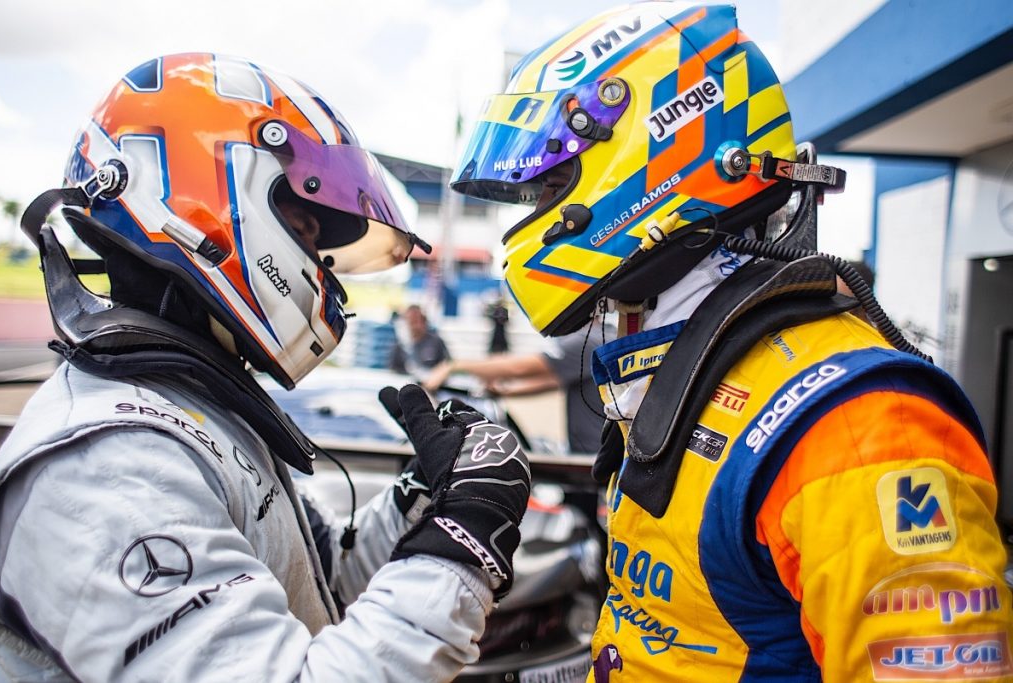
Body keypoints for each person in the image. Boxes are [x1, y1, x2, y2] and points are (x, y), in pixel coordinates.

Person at [449, 4, 1011, 681]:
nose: (538, 208)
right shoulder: (678, 365)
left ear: (655, 154)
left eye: (548, 184)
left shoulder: (859, 425)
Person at [0, 53, 530, 682]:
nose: (319, 268)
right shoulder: (111, 469)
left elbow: (318, 582)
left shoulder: (191, 407)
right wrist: (463, 538)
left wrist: (423, 498)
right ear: (204, 200)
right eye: (305, 228)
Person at [423, 316, 615, 453]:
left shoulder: (586, 341)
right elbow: (552, 380)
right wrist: (505, 392)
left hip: (594, 454)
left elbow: (518, 369)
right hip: (595, 451)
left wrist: (453, 366)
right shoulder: (605, 336)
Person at [388, 304, 451, 375]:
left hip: (432, 379)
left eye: (417, 320)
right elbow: (392, 369)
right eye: (411, 321)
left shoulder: (436, 342)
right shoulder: (400, 345)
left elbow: (447, 365)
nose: (415, 326)